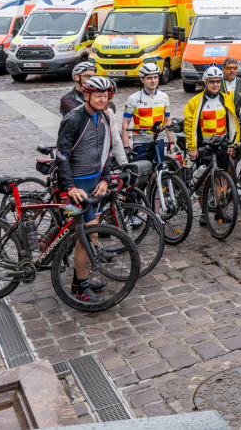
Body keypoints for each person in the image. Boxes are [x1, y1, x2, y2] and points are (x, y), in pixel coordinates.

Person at [56, 76, 116, 305]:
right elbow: (62, 156)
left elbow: (106, 152)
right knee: (86, 238)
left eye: (106, 96)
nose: (103, 100)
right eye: (98, 96)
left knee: (91, 236)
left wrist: (106, 179)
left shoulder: (104, 117)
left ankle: (78, 280)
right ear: (86, 95)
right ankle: (80, 287)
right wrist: (70, 187)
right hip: (77, 187)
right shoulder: (73, 118)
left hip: (95, 185)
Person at [184, 64, 240, 223]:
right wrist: (193, 147)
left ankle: (220, 210)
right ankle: (203, 213)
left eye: (217, 81)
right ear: (205, 82)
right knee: (203, 181)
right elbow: (189, 125)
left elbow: (232, 123)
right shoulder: (195, 102)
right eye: (211, 81)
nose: (215, 84)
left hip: (221, 145)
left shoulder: (226, 99)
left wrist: (232, 144)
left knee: (220, 179)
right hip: (204, 146)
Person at [122, 62, 173, 159]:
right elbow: (125, 124)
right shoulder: (133, 98)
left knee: (158, 171)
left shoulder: (164, 97)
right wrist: (126, 145)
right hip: (140, 140)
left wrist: (171, 141)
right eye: (149, 78)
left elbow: (167, 121)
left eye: (155, 77)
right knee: (143, 171)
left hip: (159, 139)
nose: (153, 81)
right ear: (142, 80)